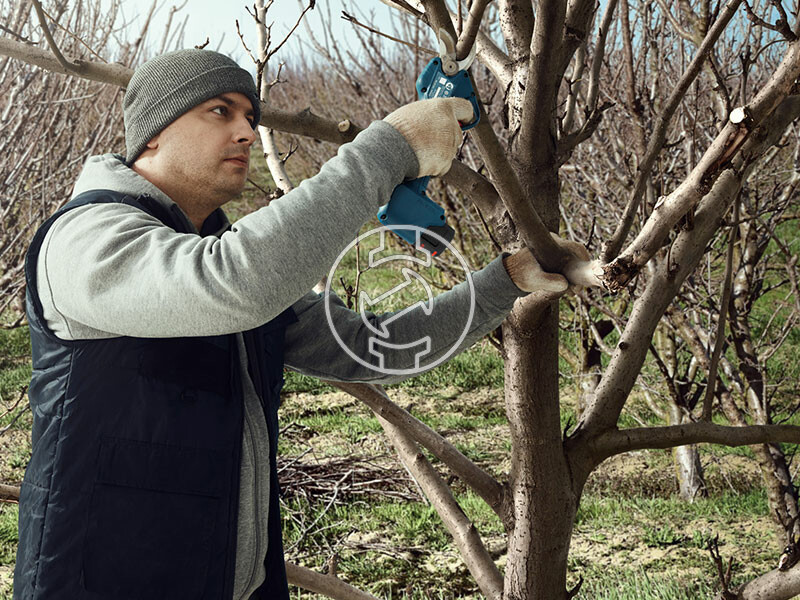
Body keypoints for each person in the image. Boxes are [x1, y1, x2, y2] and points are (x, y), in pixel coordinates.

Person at [13, 49, 594, 600]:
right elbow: (233, 283)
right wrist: (387, 152)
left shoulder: (213, 253)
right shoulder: (86, 239)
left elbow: (370, 348)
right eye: (220, 111)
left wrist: (504, 283)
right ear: (154, 132)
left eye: (249, 115)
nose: (245, 131)